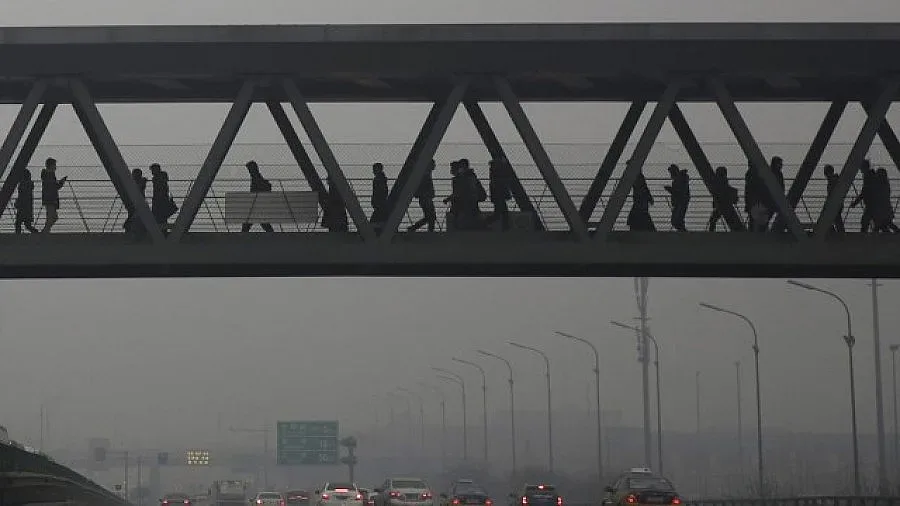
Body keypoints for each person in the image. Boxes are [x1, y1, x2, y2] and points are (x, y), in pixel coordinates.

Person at [242, 160, 275, 233]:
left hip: (256, 205)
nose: (249, 171)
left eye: (250, 169)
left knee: (248, 223)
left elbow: (262, 187)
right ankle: (272, 235)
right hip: (258, 205)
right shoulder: (257, 177)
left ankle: (242, 235)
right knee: (263, 222)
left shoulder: (256, 177)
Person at [408, 159, 437, 232]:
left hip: (425, 198)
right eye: (433, 164)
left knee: (429, 216)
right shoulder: (425, 176)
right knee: (431, 216)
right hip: (426, 198)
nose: (434, 166)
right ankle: (417, 228)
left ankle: (415, 228)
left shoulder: (424, 175)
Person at [707, 166, 739, 232]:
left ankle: (711, 231)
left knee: (714, 218)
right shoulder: (723, 181)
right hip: (725, 203)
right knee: (729, 217)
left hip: (721, 203)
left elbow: (716, 191)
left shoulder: (718, 181)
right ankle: (736, 230)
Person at [40, 157, 66, 233]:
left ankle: (45, 231)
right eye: (54, 165)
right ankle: (45, 232)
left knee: (53, 217)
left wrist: (60, 182)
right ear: (51, 165)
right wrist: (61, 182)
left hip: (49, 198)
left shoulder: (47, 175)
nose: (55, 167)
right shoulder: (49, 175)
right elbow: (54, 187)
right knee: (52, 217)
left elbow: (53, 186)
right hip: (50, 199)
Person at [150, 163, 176, 233]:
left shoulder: (159, 177)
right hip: (161, 199)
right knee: (162, 217)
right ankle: (162, 230)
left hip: (160, 199)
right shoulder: (162, 176)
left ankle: (161, 230)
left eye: (153, 170)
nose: (152, 172)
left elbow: (161, 187)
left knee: (159, 216)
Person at [850, 160, 875, 233]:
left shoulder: (867, 177)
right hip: (874, 203)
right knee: (879, 223)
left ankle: (863, 237)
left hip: (871, 204)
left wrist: (855, 203)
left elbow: (864, 193)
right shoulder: (872, 176)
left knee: (865, 222)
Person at [488, 157, 513, 231]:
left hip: (497, 195)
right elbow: (503, 182)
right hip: (499, 195)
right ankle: (485, 223)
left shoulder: (494, 173)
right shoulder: (498, 173)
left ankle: (505, 226)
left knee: (500, 213)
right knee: (501, 213)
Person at [873, 167, 899, 233]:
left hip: (881, 209)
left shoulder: (879, 185)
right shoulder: (885, 184)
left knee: (882, 224)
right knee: (885, 224)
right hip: (885, 208)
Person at [664, 164, 689, 232]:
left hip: (680, 202)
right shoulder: (679, 179)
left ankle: (684, 233)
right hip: (679, 202)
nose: (670, 174)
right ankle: (683, 233)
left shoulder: (680, 179)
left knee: (676, 221)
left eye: (671, 172)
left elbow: (679, 192)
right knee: (677, 220)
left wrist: (670, 189)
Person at [123, 168, 148, 237]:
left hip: (137, 203)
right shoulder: (138, 182)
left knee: (135, 217)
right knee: (136, 217)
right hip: (136, 203)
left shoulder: (135, 182)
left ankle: (130, 230)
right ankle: (132, 230)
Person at [14, 169, 38, 234]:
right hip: (27, 207)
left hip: (22, 207)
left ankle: (18, 236)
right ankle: (36, 233)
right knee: (27, 225)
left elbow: (22, 196)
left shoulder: (23, 184)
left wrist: (17, 203)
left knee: (18, 223)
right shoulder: (28, 184)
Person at [823, 165, 844, 233]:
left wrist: (826, 204)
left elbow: (831, 194)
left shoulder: (832, 181)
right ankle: (840, 233)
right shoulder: (835, 180)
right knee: (837, 219)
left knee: (834, 218)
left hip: (835, 204)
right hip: (838, 203)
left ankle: (838, 233)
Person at [370, 162, 388, 230]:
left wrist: (375, 201)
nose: (373, 171)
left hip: (379, 204)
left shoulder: (378, 179)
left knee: (374, 222)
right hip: (381, 204)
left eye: (374, 169)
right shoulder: (381, 179)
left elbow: (379, 192)